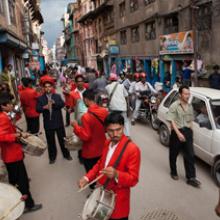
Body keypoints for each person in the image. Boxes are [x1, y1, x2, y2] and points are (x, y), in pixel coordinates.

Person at [78, 113, 141, 220]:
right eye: (111, 131)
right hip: (102, 196)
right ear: (106, 129)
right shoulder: (107, 142)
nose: (115, 134)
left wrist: (117, 174)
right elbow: (100, 164)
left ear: (123, 127)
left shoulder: (133, 149)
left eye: (118, 129)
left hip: (118, 201)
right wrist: (86, 178)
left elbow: (133, 179)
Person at [0, 94, 42, 213]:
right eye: (9, 104)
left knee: (14, 182)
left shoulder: (4, 116)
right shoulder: (2, 118)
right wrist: (17, 135)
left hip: (10, 155)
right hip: (12, 156)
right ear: (3, 106)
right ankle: (28, 205)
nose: (11, 105)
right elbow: (1, 136)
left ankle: (15, 204)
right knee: (22, 182)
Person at [167, 85, 201, 187]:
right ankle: (173, 172)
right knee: (174, 154)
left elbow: (190, 120)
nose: (188, 96)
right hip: (177, 132)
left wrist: (190, 131)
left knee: (190, 155)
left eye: (188, 94)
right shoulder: (174, 105)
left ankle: (191, 178)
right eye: (186, 94)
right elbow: (171, 121)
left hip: (187, 132)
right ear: (180, 94)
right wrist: (178, 133)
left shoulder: (190, 106)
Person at [72, 89, 108, 184]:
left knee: (91, 172)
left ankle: (93, 191)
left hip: (90, 151)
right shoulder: (104, 111)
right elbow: (106, 129)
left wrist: (75, 126)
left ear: (86, 100)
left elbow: (86, 136)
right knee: (101, 170)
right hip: (103, 147)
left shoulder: (86, 117)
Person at [36, 80, 72, 164]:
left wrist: (54, 103)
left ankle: (66, 154)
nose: (48, 88)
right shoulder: (40, 98)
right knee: (50, 141)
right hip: (48, 123)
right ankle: (52, 157)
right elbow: (37, 109)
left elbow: (62, 105)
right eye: (46, 87)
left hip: (58, 122)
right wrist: (44, 107)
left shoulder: (57, 96)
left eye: (49, 86)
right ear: (43, 88)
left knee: (63, 140)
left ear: (52, 87)